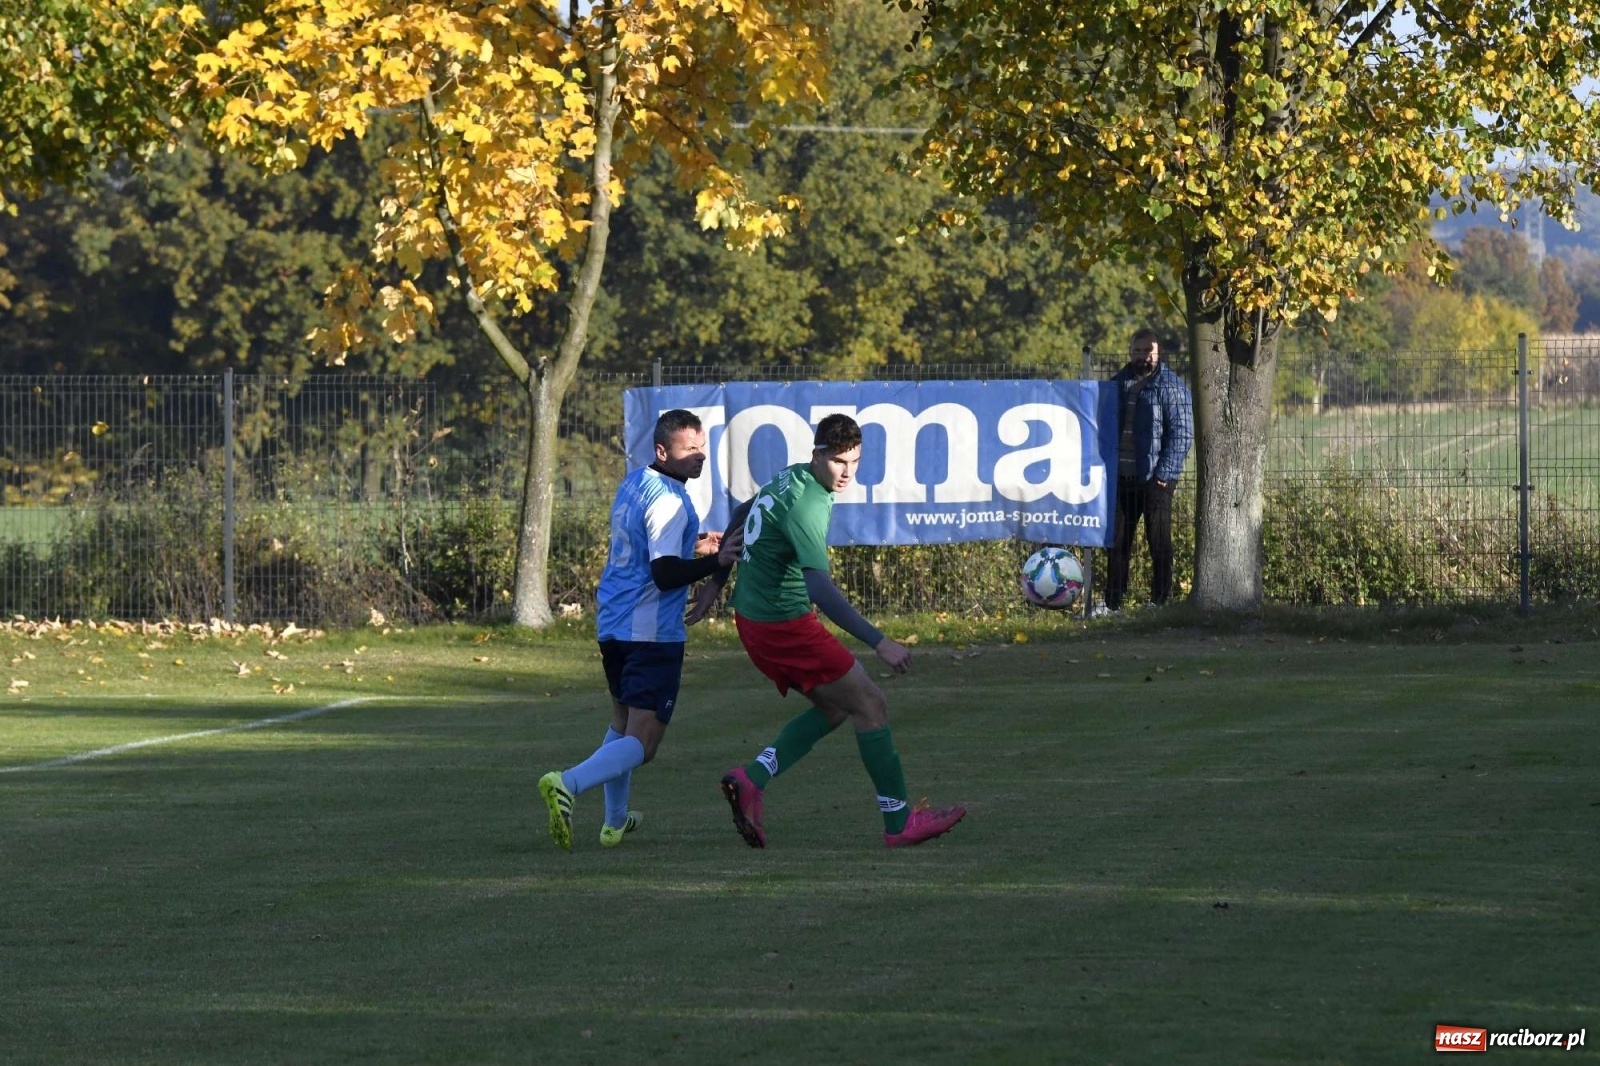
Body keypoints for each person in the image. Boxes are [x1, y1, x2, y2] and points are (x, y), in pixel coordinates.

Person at [697, 413, 966, 850]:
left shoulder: (795, 476)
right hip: (783, 625)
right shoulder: (809, 504)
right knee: (871, 704)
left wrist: (715, 583)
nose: (847, 472)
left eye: (855, 461)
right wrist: (881, 642)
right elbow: (818, 587)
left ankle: (752, 779)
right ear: (818, 454)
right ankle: (899, 824)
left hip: (756, 621)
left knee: (836, 708)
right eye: (839, 461)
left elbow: (745, 509)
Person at [537, 409, 740, 850]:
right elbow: (666, 574)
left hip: (614, 621)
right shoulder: (669, 499)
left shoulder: (636, 482)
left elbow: (650, 548)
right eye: (690, 450)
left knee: (623, 723)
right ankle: (567, 783)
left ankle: (614, 822)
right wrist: (715, 561)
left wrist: (696, 542)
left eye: (702, 448)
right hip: (650, 632)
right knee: (644, 743)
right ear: (663, 451)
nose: (699, 457)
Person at [1104, 327, 1194, 611]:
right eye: (1138, 351)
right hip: (1122, 478)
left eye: (1148, 351)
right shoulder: (1116, 385)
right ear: (1131, 353)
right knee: (1117, 544)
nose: (1143, 357)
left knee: (1159, 543)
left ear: (1159, 353)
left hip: (1156, 479)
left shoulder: (1171, 386)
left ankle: (1160, 601)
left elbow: (1181, 433)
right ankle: (1113, 603)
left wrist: (1164, 476)